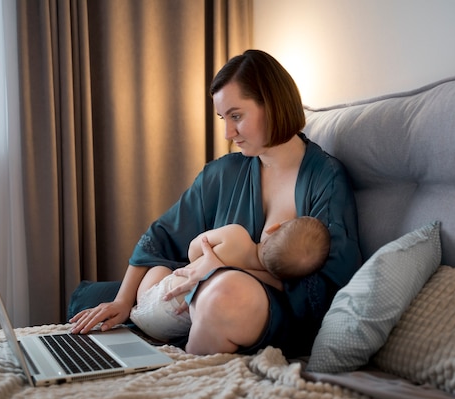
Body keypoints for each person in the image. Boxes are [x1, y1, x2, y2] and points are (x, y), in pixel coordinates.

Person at [69, 49, 361, 358]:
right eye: (223, 118)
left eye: (236, 116)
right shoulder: (223, 173)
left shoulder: (325, 179)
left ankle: (189, 357)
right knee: (119, 291)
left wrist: (231, 264)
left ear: (273, 105)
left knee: (226, 290)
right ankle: (177, 323)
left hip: (269, 313)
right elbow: (160, 237)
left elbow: (325, 289)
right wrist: (123, 301)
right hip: (196, 297)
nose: (227, 133)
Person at [129, 216, 331, 341]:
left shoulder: (237, 236)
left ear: (273, 228)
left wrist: (205, 260)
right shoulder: (271, 282)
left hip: (153, 302)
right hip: (173, 327)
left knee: (161, 268)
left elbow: (193, 250)